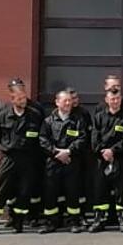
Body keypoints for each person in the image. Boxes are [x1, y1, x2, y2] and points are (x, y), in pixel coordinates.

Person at [0, 80, 44, 236]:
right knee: (1, 192)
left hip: (28, 159)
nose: (23, 101)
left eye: (24, 98)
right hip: (9, 158)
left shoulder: (34, 115)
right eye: (19, 99)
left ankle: (19, 222)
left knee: (24, 192)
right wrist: (7, 147)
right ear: (12, 99)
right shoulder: (3, 115)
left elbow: (42, 137)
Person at [39, 89, 93, 234]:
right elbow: (43, 140)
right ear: (57, 102)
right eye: (65, 101)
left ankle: (74, 222)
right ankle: (51, 222)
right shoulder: (48, 121)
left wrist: (68, 151)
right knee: (51, 192)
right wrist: (56, 153)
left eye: (70, 100)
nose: (69, 103)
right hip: (53, 162)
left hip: (71, 161)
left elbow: (82, 139)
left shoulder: (78, 120)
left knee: (73, 192)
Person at [90, 85, 123, 233]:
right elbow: (94, 138)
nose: (115, 101)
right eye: (112, 99)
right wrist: (102, 152)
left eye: (117, 99)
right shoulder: (99, 117)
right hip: (101, 158)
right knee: (100, 189)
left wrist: (113, 151)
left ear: (121, 99)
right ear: (106, 100)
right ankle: (99, 219)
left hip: (120, 158)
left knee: (121, 190)